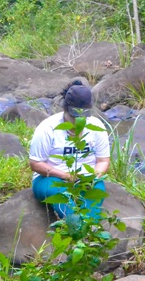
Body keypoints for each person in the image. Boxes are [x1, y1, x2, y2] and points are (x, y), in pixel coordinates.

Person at [29, 80, 111, 220]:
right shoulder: (48, 128)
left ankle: (89, 227)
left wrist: (94, 177)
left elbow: (103, 160)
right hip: (52, 179)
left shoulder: (96, 127)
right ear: (65, 109)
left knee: (97, 193)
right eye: (74, 116)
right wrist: (65, 176)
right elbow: (35, 163)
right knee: (61, 196)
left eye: (82, 116)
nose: (77, 120)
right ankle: (75, 226)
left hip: (86, 179)